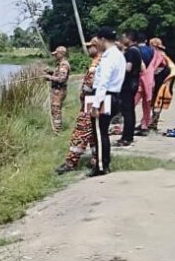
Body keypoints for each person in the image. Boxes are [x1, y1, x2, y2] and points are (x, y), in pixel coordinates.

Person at [56, 39, 100, 173]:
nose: (88, 49)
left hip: (91, 101)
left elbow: (90, 86)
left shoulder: (97, 64)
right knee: (94, 132)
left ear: (96, 47)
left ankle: (71, 162)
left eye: (90, 47)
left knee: (81, 131)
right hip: (96, 101)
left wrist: (83, 94)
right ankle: (97, 158)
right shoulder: (101, 62)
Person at [88, 27, 125, 177]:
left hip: (105, 96)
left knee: (99, 132)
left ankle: (101, 166)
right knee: (102, 132)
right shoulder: (118, 55)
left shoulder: (109, 57)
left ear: (103, 39)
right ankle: (103, 163)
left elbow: (103, 83)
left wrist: (96, 105)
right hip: (114, 95)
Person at [117, 31, 142, 147]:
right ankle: (128, 135)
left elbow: (128, 67)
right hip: (134, 82)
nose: (122, 39)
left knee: (127, 111)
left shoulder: (131, 51)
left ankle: (127, 137)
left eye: (124, 37)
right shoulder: (137, 50)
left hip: (128, 84)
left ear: (129, 38)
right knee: (130, 110)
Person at [149, 39, 175, 130]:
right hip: (162, 79)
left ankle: (153, 122)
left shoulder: (158, 54)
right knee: (157, 100)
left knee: (155, 100)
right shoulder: (163, 54)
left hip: (158, 78)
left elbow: (154, 67)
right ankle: (153, 121)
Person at [43, 46, 71, 133]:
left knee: (56, 110)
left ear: (62, 54)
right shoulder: (60, 64)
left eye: (56, 54)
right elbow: (58, 74)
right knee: (55, 109)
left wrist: (49, 77)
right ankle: (56, 128)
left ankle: (57, 131)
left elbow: (61, 79)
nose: (55, 56)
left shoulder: (64, 65)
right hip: (57, 91)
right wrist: (50, 72)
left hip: (59, 91)